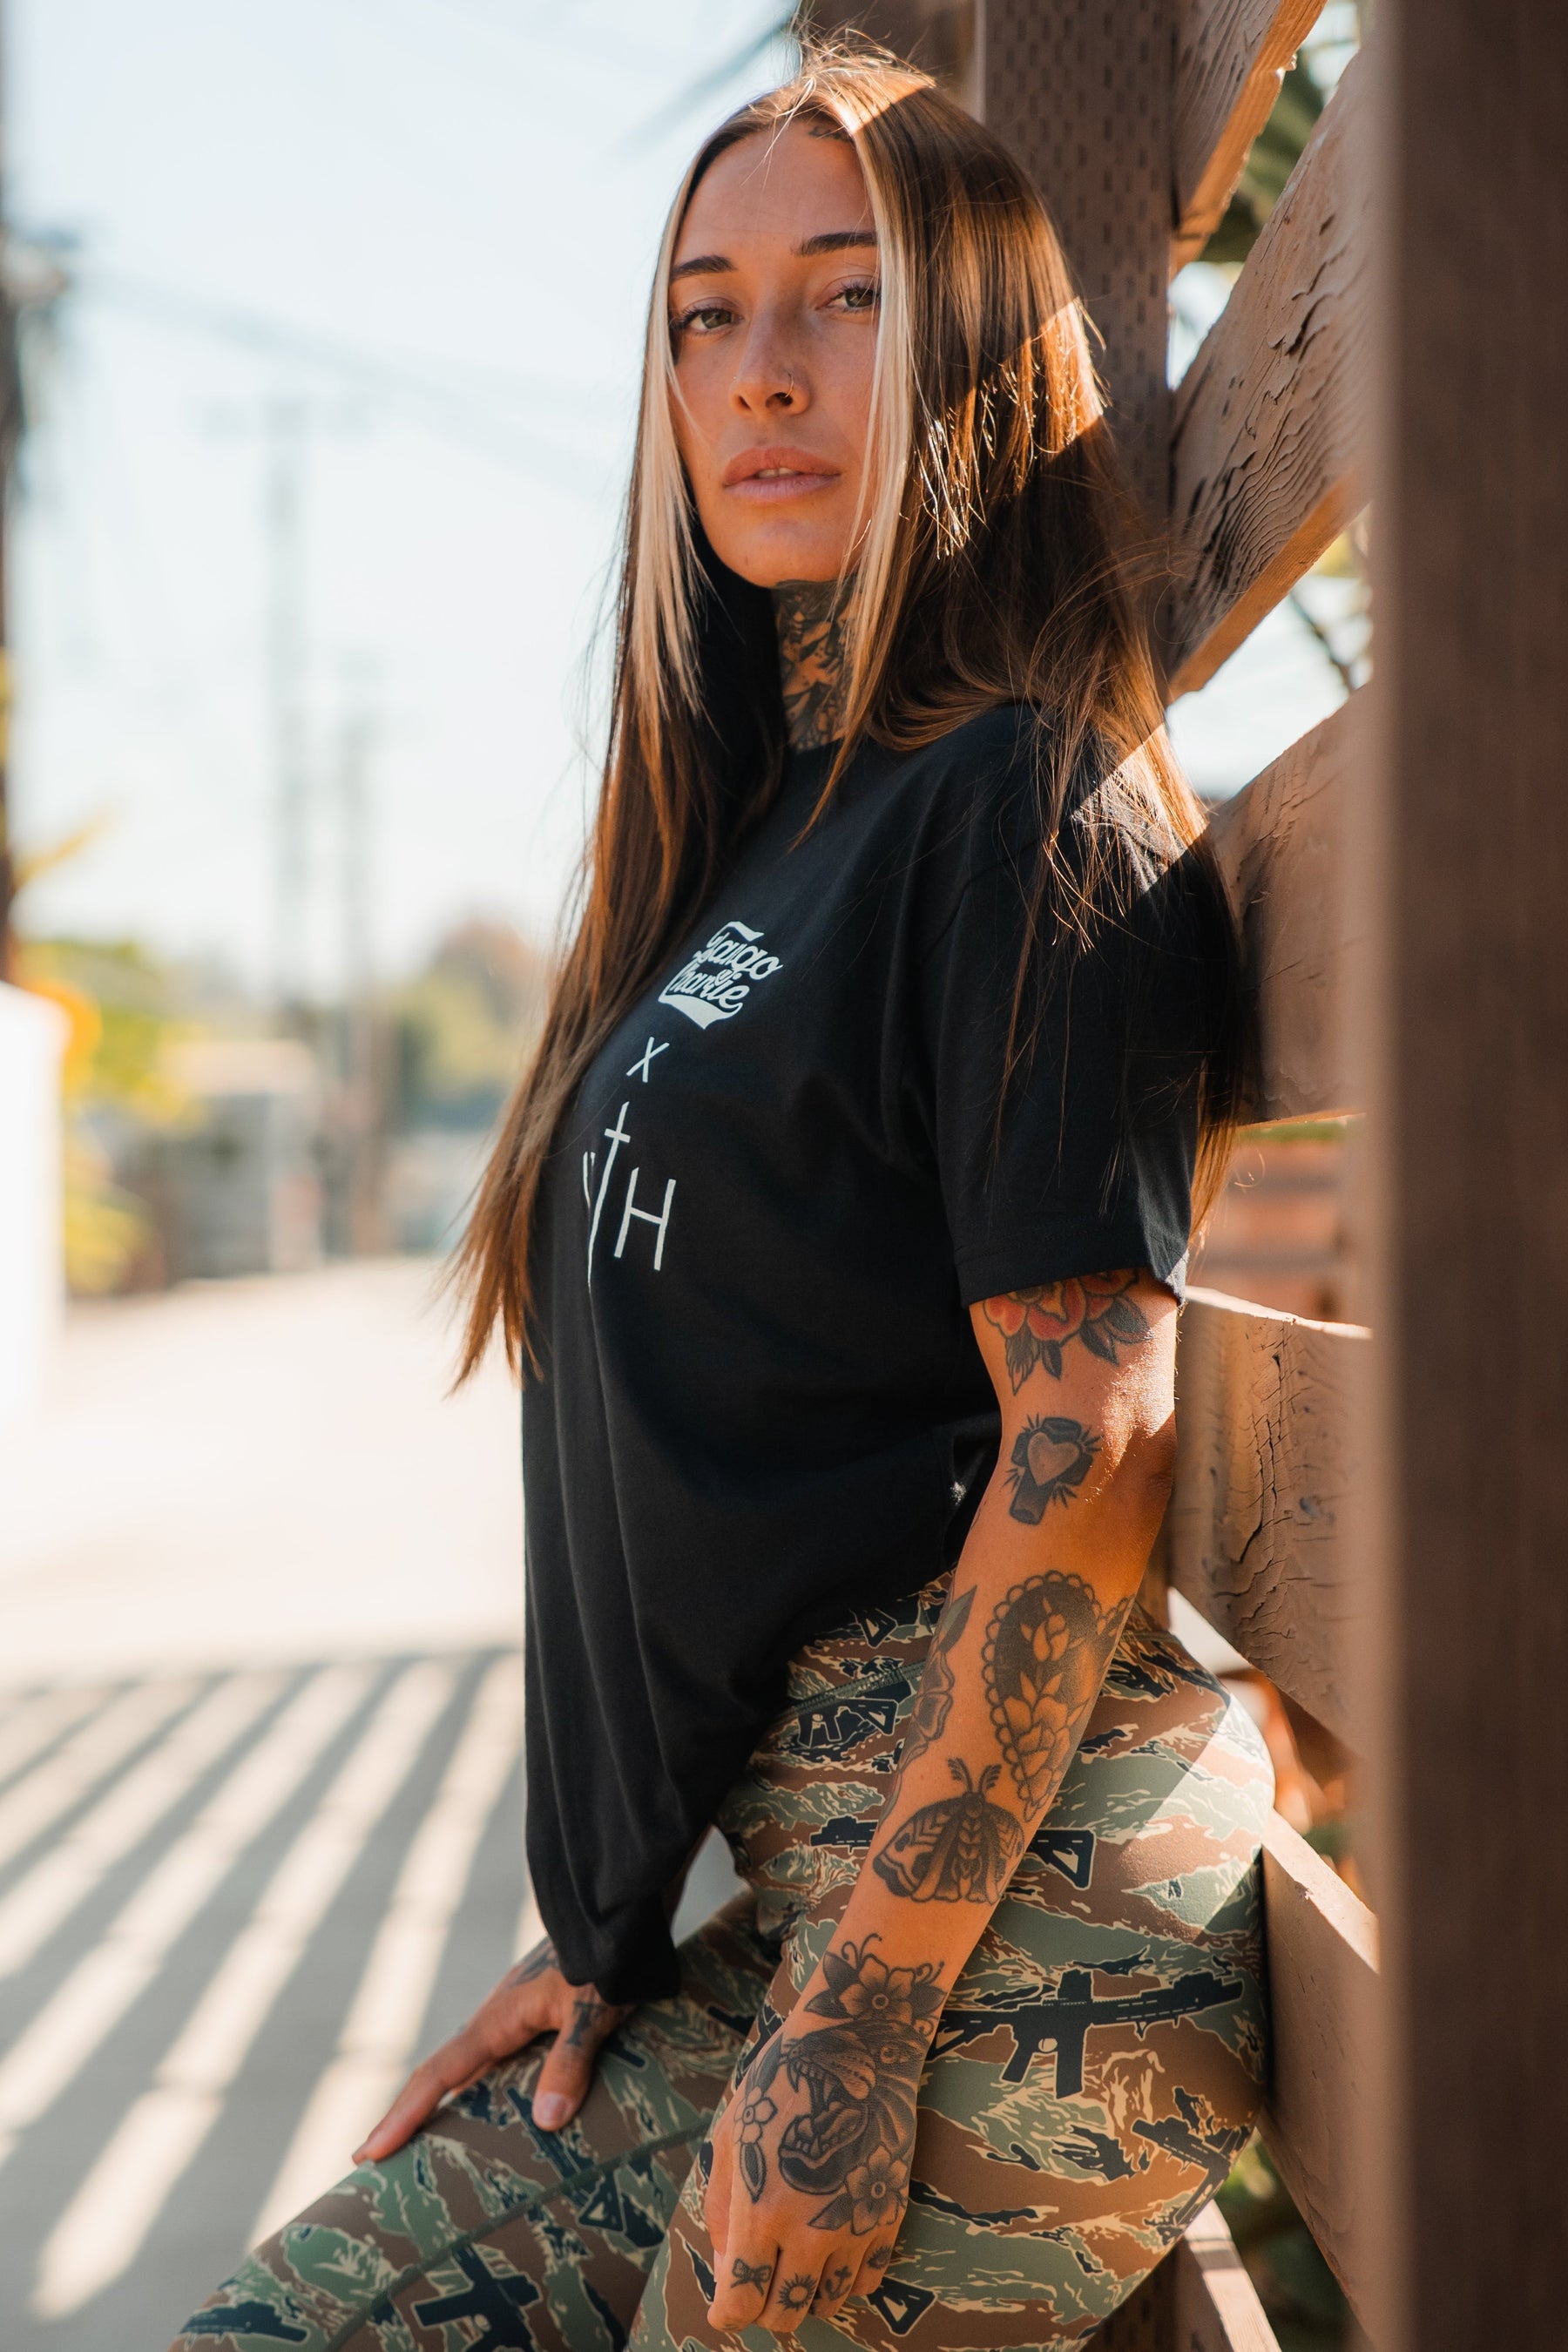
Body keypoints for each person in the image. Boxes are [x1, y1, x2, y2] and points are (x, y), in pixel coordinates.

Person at [172, 40, 1271, 2352]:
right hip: (811, 1907)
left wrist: (854, 2032)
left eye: (842, 299)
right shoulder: (766, 833)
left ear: (974, 341)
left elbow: (1091, 1443)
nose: (758, 374)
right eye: (702, 312)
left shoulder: (1022, 803)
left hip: (1016, 1931)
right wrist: (599, 1914)